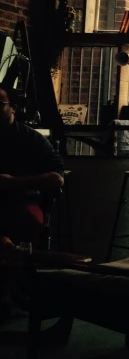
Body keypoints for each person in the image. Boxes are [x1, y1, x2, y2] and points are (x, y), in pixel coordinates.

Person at [0, 84, 65, 318]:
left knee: (28, 220)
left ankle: (11, 288)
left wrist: (12, 182)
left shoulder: (31, 139)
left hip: (20, 202)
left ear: (13, 108)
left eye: (0, 104)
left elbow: (57, 179)